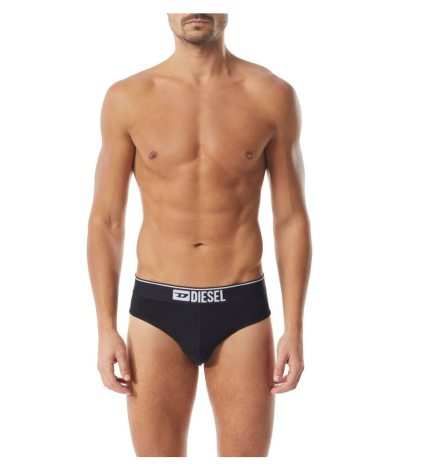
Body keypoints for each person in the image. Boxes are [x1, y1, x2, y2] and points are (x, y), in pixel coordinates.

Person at [87, 13, 312, 457]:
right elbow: (106, 220)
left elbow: (291, 220)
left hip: (242, 309)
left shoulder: (271, 94)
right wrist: (105, 328)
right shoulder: (128, 97)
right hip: (156, 311)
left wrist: (295, 329)